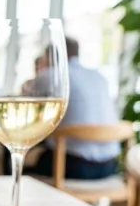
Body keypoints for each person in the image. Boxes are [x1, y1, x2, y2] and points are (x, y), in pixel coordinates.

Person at [29, 37, 119, 179]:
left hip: (72, 166)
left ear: (49, 56)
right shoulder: (100, 77)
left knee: (21, 160)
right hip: (109, 167)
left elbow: (30, 117)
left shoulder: (51, 75)